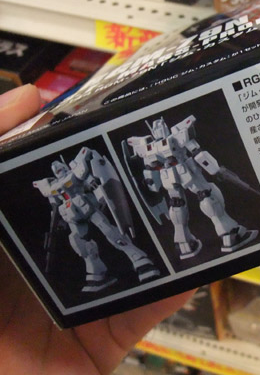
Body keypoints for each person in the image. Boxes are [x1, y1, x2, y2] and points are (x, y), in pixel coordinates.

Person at [0, 84, 195, 375]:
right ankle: (97, 272)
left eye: (59, 169)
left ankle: (140, 259)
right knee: (79, 241)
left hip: (88, 206)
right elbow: (49, 196)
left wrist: (94, 184)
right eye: (54, 171)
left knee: (110, 233)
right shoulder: (50, 183)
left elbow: (92, 162)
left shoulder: (75, 168)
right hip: (71, 214)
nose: (57, 171)